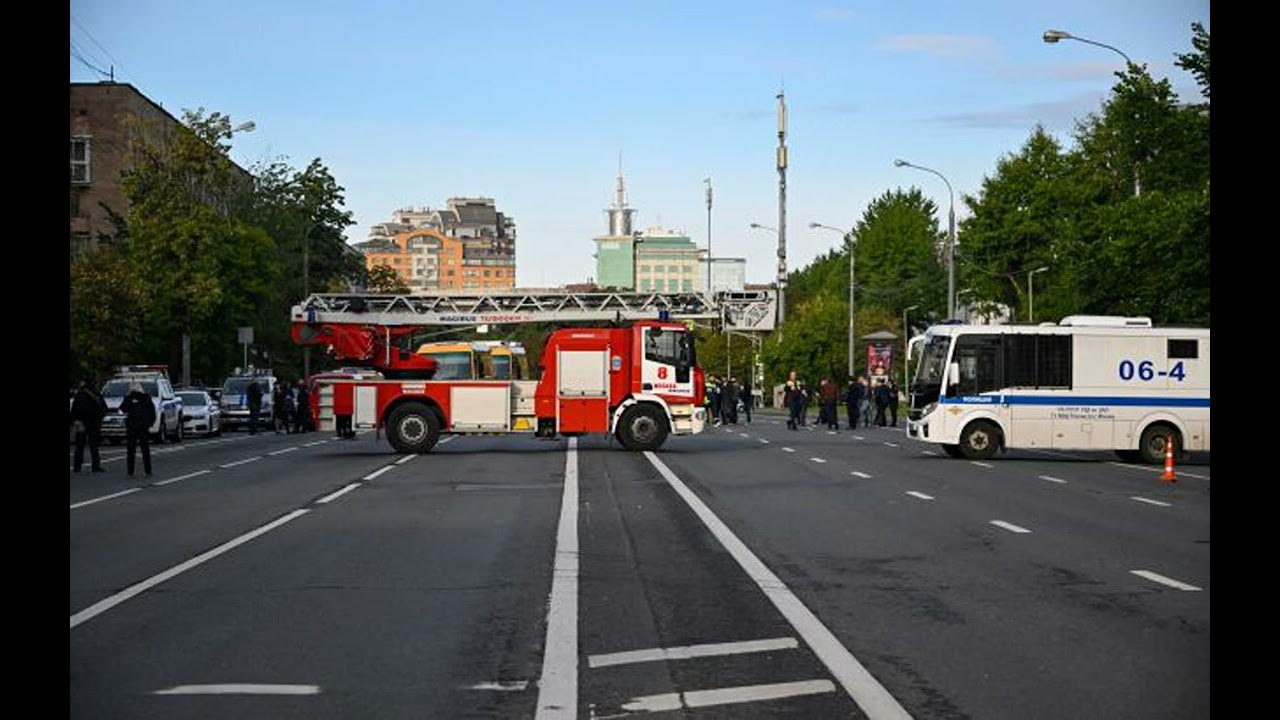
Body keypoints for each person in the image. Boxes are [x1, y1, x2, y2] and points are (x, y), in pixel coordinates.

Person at [70, 381, 107, 473]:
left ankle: (77, 466)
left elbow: (74, 410)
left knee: (79, 446)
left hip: (81, 423)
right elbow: (103, 408)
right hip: (93, 423)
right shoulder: (96, 395)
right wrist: (99, 419)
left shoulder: (79, 395)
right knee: (94, 446)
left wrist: (74, 421)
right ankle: (95, 466)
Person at [121, 381, 156, 477]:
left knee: (131, 450)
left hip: (132, 427)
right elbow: (152, 412)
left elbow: (123, 408)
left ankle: (130, 471)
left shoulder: (128, 398)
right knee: (145, 449)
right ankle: (148, 470)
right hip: (143, 427)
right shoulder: (146, 397)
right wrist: (149, 423)